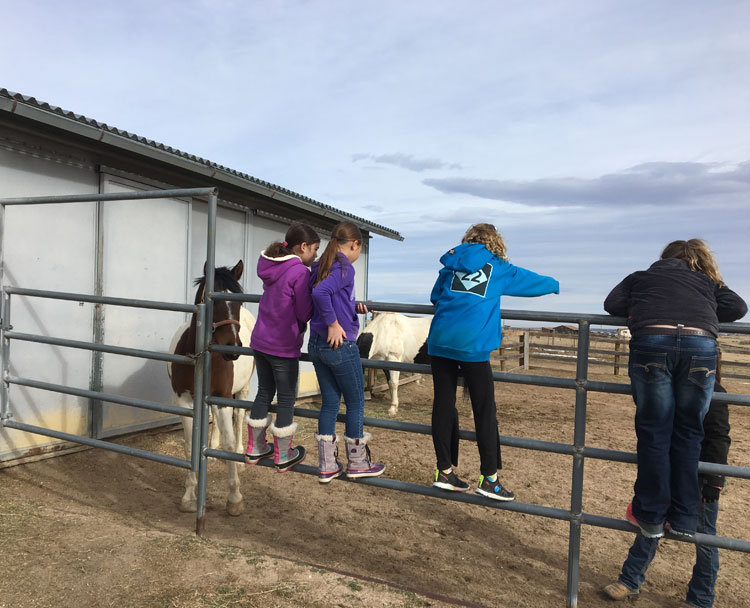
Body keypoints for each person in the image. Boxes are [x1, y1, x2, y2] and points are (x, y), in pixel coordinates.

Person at [604, 239, 746, 539]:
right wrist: (701, 309)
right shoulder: (706, 281)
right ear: (698, 261)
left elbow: (612, 304)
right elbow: (738, 307)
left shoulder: (641, 277)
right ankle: (683, 519)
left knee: (655, 431)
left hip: (653, 342)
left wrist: (649, 308)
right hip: (700, 344)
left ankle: (651, 516)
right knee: (690, 432)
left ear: (663, 259)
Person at [427, 223, 559, 499]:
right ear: (494, 242)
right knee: (484, 410)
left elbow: (435, 297)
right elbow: (530, 282)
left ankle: (444, 472)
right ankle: (489, 478)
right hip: (473, 344)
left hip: (440, 341)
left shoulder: (450, 265)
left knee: (443, 404)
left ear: (468, 240)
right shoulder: (497, 267)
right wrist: (556, 284)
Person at [603, 382, 731, 607]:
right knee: (650, 525)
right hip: (667, 472)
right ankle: (630, 580)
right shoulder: (668, 386)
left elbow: (719, 438)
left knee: (704, 538)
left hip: (698, 479)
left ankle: (701, 598)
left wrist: (714, 481)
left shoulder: (714, 392)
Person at [307, 221, 385, 483]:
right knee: (356, 402)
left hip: (316, 344)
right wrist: (333, 323)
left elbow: (328, 295)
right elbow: (321, 293)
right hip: (339, 346)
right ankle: (357, 462)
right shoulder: (344, 268)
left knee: (330, 403)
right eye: (358, 250)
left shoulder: (321, 266)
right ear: (355, 245)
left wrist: (352, 308)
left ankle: (327, 465)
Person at [244, 223, 321, 472]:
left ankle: (255, 448)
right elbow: (303, 311)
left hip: (260, 341)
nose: (317, 255)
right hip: (283, 344)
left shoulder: (272, 267)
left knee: (264, 392)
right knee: (286, 397)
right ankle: (284, 454)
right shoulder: (299, 272)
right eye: (315, 249)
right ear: (303, 247)